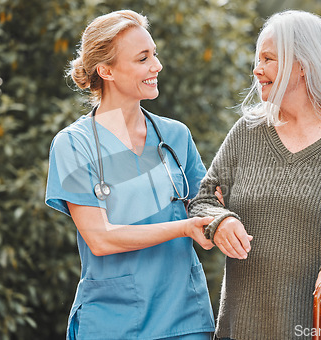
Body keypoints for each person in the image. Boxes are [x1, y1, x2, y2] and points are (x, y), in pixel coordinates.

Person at [188, 10, 321, 340]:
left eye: (269, 59)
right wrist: (221, 220)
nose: (257, 70)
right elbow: (203, 200)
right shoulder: (247, 133)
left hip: (320, 330)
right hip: (244, 329)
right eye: (257, 59)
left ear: (302, 65)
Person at [45, 10, 217, 340]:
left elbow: (207, 206)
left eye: (154, 54)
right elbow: (100, 238)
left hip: (184, 317)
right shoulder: (73, 145)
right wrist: (184, 227)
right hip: (112, 322)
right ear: (105, 70)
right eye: (143, 58)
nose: (157, 66)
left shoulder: (175, 136)